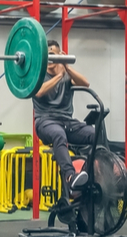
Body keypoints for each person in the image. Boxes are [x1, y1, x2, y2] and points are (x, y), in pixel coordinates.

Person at [33, 40, 92, 201]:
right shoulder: (37, 75)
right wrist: (60, 75)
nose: (51, 59)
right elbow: (39, 92)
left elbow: (85, 83)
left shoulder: (67, 73)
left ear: (60, 55)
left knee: (95, 133)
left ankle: (94, 174)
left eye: (54, 55)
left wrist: (66, 67)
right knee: (59, 134)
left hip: (68, 122)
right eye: (48, 55)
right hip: (45, 122)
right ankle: (70, 177)